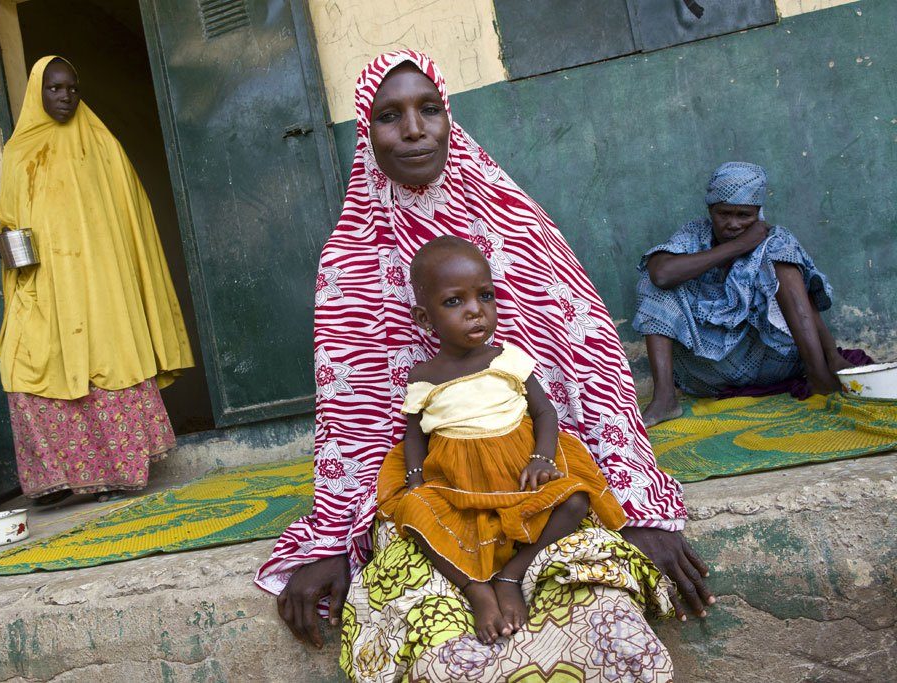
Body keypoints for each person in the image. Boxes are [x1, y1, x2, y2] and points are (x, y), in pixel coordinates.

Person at [259, 51, 710, 679]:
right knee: (440, 643)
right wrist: (333, 540)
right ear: (366, 131)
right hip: (436, 491)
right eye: (390, 116)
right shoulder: (349, 263)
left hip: (533, 477)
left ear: (450, 118)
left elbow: (587, 366)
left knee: (606, 627)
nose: (414, 128)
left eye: (429, 109)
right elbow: (353, 423)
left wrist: (634, 504)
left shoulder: (513, 224)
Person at [376, 236, 632, 644]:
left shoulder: (507, 359)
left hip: (519, 470)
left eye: (485, 296)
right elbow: (414, 434)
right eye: (454, 302)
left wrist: (542, 458)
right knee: (415, 516)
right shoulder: (423, 376)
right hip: (458, 481)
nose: (476, 310)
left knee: (576, 501)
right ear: (424, 320)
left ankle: (513, 573)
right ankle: (476, 590)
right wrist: (414, 478)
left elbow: (545, 412)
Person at [0, 56, 193, 504]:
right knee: (23, 362)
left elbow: (130, 220)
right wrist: (3, 244)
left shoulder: (101, 144)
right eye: (54, 89)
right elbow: (11, 221)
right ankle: (57, 478)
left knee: (108, 360)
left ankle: (118, 475)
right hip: (44, 284)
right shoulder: (19, 151)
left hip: (101, 285)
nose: (65, 97)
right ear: (36, 93)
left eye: (72, 88)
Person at [634, 162, 858, 428]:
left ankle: (818, 372)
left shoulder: (773, 239)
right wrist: (739, 246)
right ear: (710, 211)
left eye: (745, 216)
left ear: (758, 214)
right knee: (655, 281)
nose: (733, 224)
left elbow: (805, 298)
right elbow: (661, 274)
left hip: (771, 361)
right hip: (704, 371)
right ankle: (665, 399)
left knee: (781, 258)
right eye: (724, 214)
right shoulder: (694, 235)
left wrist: (832, 355)